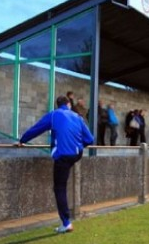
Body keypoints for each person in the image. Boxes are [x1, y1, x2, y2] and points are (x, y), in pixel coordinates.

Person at [17, 95, 94, 233]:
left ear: (58, 105)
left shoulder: (53, 115)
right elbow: (90, 139)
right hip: (76, 154)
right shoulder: (78, 116)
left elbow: (37, 129)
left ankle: (66, 223)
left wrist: (22, 140)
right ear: (69, 104)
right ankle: (66, 220)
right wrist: (78, 146)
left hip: (63, 157)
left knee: (59, 188)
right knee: (63, 179)